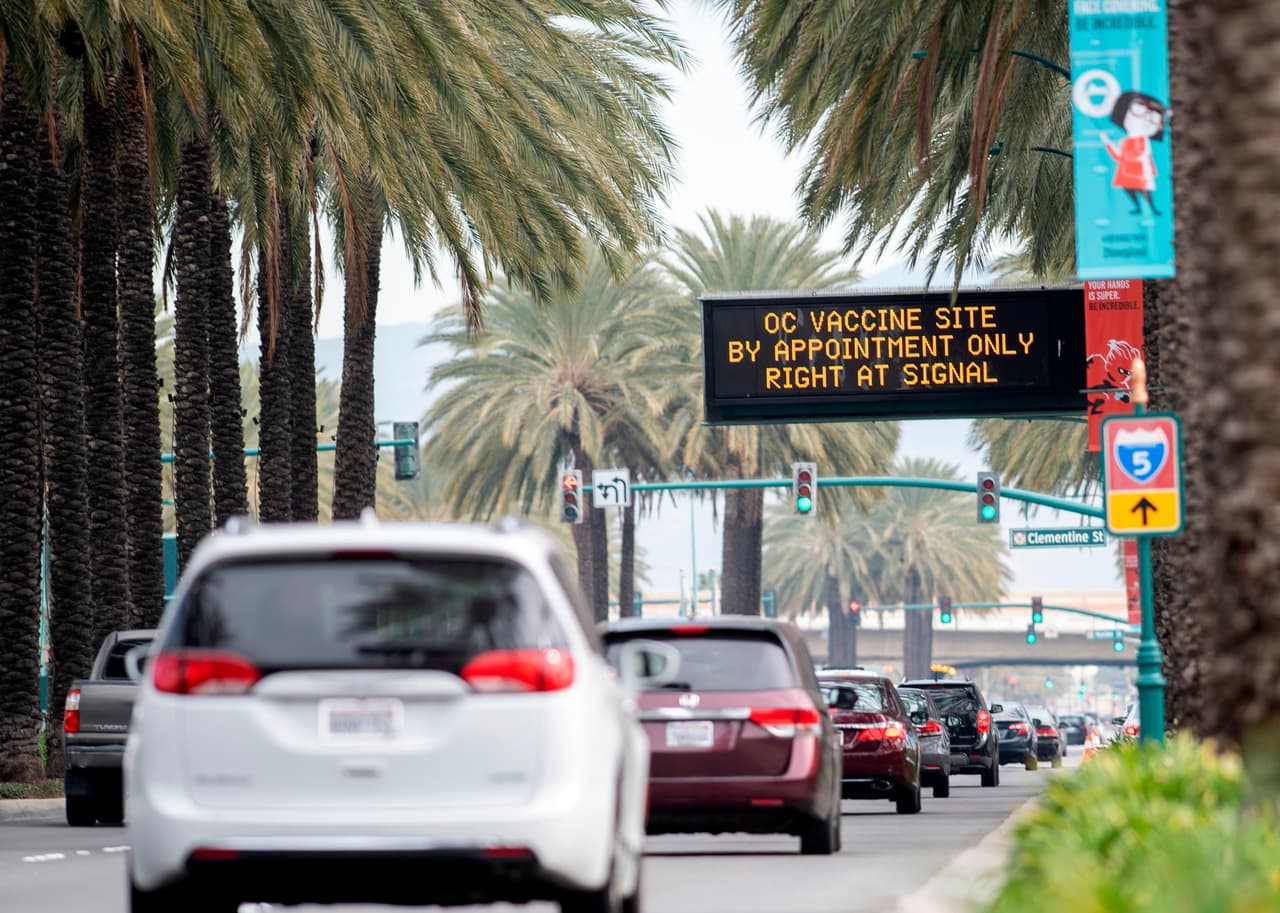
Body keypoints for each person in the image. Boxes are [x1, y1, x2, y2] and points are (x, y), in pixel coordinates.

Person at [1101, 91, 1167, 216]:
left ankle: (1153, 209)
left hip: (1140, 171)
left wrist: (1126, 158)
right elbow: (1118, 156)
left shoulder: (1143, 140)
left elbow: (1140, 154)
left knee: (1144, 191)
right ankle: (1138, 207)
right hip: (1126, 172)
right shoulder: (1124, 141)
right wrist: (1107, 143)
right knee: (1128, 189)